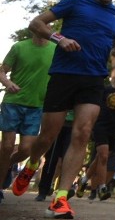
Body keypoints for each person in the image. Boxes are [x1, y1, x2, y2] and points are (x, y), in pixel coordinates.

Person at [12, 0, 115, 220]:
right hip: (64, 74)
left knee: (83, 133)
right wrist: (59, 38)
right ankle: (32, 164)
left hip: (94, 78)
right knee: (48, 137)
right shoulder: (76, 2)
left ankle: (60, 198)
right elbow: (36, 22)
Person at [0, 33, 56, 204]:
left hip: (36, 105)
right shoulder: (19, 47)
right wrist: (8, 83)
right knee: (7, 146)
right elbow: (2, 71)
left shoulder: (55, 49)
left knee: (25, 150)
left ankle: (5, 165)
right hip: (13, 102)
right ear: (33, 29)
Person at [88, 69, 115, 201]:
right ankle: (102, 187)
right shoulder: (105, 91)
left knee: (100, 159)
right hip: (101, 126)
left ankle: (84, 181)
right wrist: (90, 127)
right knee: (104, 157)